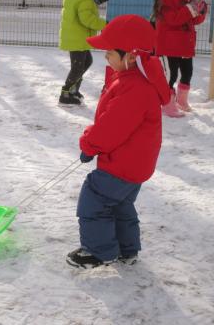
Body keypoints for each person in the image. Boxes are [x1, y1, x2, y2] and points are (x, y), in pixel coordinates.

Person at [66, 15, 170, 269]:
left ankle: (98, 251)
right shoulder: (132, 80)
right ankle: (126, 249)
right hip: (134, 164)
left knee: (94, 198)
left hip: (122, 163)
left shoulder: (134, 88)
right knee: (120, 204)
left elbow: (113, 126)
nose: (106, 58)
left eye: (110, 53)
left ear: (132, 56)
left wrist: (90, 144)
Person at [155, 0, 207, 117]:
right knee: (171, 75)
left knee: (187, 72)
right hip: (168, 45)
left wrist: (201, 11)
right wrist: (191, 9)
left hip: (184, 44)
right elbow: (173, 19)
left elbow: (195, 20)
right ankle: (168, 104)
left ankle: (182, 100)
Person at [58, 0, 108, 105]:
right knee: (78, 66)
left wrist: (95, 2)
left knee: (86, 62)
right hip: (77, 39)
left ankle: (73, 90)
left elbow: (82, 7)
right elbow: (87, 19)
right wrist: (105, 24)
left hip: (76, 38)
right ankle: (65, 93)